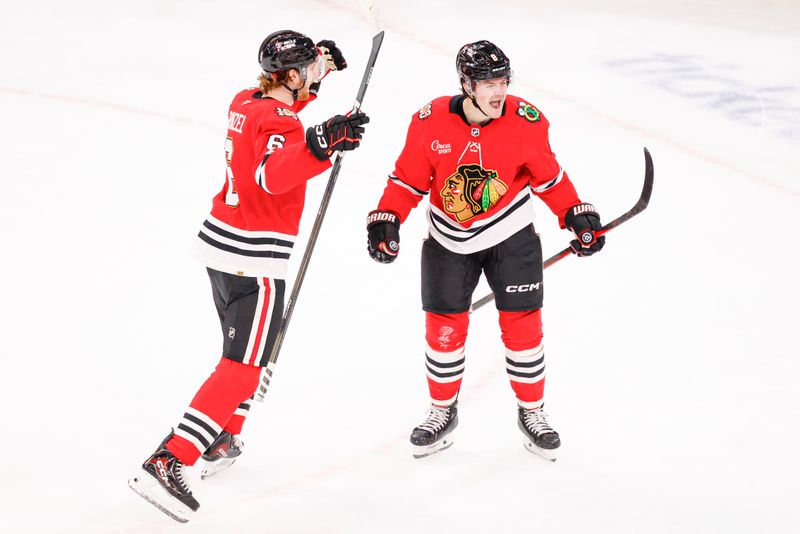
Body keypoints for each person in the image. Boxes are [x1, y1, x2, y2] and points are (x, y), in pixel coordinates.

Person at [129, 30, 369, 522]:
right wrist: (321, 143)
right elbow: (274, 174)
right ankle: (171, 458)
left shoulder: (247, 102)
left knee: (241, 357)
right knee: (243, 368)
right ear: (293, 76)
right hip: (255, 261)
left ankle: (221, 436)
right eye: (307, 72)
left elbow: (279, 119)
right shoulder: (280, 120)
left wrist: (320, 69)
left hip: (221, 247)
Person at [366, 40, 604, 461]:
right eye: (489, 83)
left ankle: (533, 413)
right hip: (446, 240)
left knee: (524, 330)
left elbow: (549, 178)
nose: (499, 91)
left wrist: (576, 214)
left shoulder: (527, 122)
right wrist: (387, 217)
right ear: (466, 84)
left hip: (510, 238)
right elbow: (407, 180)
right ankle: (442, 410)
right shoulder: (429, 121)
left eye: (503, 81)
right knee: (443, 330)